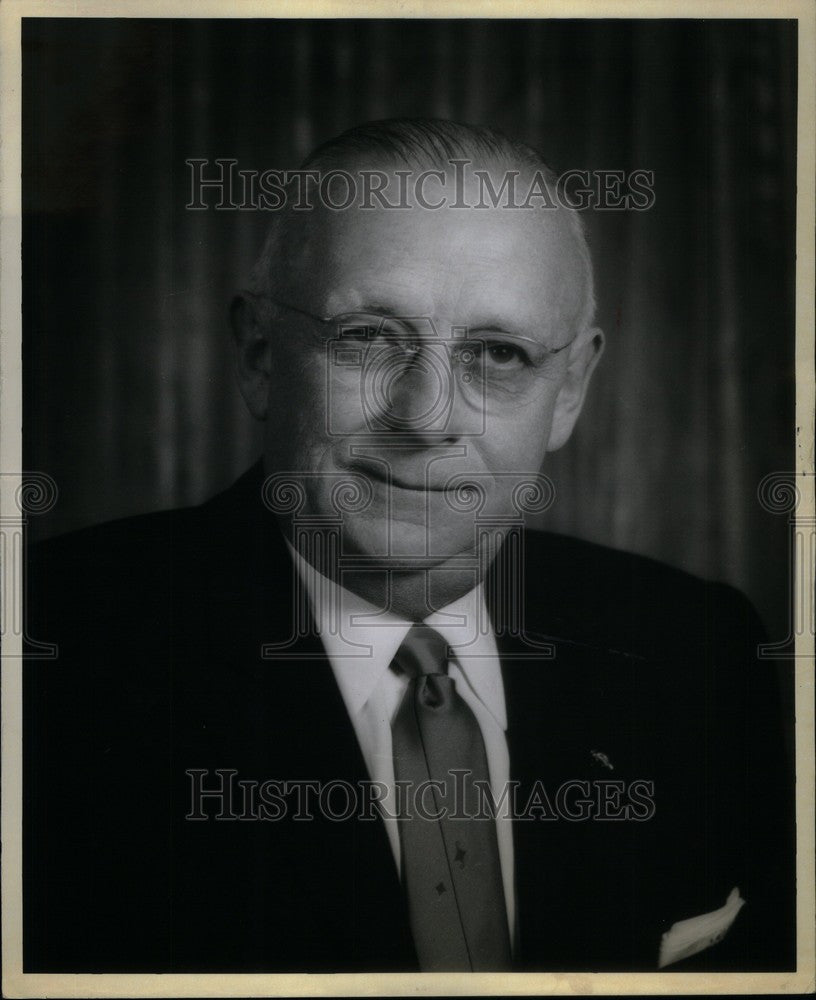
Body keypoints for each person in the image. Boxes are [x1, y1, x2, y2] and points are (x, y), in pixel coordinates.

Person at [23, 119, 794, 974]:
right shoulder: (50, 658)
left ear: (570, 391)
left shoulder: (698, 648)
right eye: (368, 338)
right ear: (259, 356)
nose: (426, 418)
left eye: (497, 354)